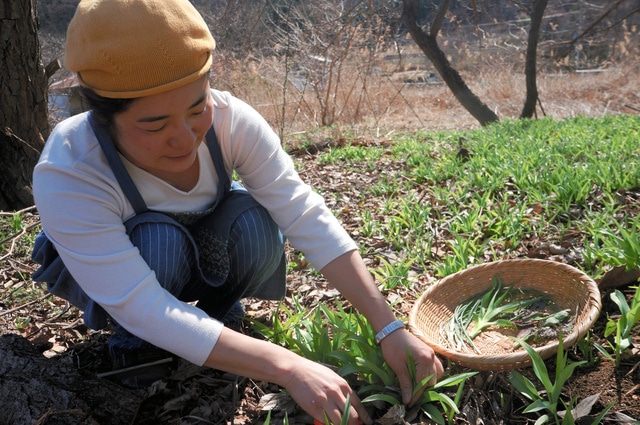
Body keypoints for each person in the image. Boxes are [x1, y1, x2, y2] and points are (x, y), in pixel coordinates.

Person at [31, 1, 444, 423]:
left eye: (197, 108)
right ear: (101, 115)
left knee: (256, 222)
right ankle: (136, 347)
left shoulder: (232, 121)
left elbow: (301, 212)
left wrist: (387, 326)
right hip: (138, 270)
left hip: (201, 248)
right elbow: (140, 302)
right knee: (160, 241)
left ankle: (217, 315)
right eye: (155, 125)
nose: (184, 138)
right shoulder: (71, 170)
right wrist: (287, 366)